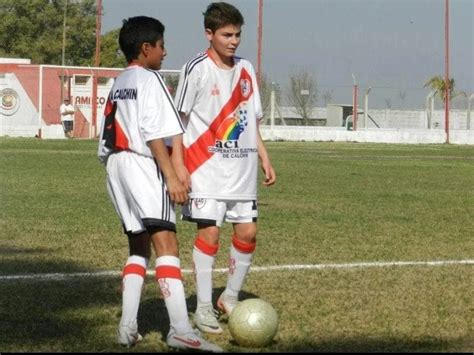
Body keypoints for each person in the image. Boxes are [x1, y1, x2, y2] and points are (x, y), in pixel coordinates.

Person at [97, 16, 222, 352]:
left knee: (138, 246)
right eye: (162, 46)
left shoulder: (120, 80)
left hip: (115, 165)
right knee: (166, 242)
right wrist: (171, 175)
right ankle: (181, 330)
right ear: (146, 48)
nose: (166, 53)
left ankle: (127, 328)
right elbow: (155, 133)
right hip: (140, 164)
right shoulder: (149, 80)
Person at [173, 2, 276, 335]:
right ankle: (203, 307)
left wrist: (264, 156)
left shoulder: (246, 69)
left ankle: (228, 297)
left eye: (237, 35)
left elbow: (251, 119)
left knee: (247, 233)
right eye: (227, 35)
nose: (234, 41)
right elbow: (178, 121)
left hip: (242, 170)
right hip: (205, 168)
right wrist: (178, 167)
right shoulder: (196, 68)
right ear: (209, 34)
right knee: (210, 234)